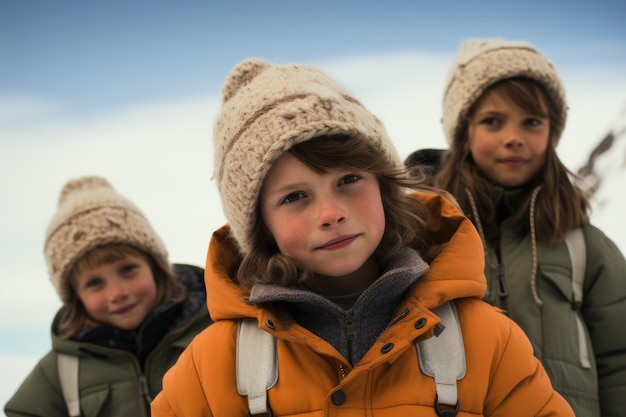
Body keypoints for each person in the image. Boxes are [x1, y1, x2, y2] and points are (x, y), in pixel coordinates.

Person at [150, 58, 574, 416]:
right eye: (295, 197)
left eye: (349, 179)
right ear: (259, 226)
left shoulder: (487, 341)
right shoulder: (213, 367)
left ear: (386, 187)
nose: (332, 214)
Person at [415, 38, 626, 417]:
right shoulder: (425, 234)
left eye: (531, 122)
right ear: (463, 132)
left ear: (552, 131)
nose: (514, 138)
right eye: (493, 121)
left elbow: (620, 360)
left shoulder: (585, 247)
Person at [4, 176, 212, 417]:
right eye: (94, 283)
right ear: (76, 298)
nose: (117, 293)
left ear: (155, 267)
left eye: (128, 270)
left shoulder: (213, 330)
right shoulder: (61, 371)